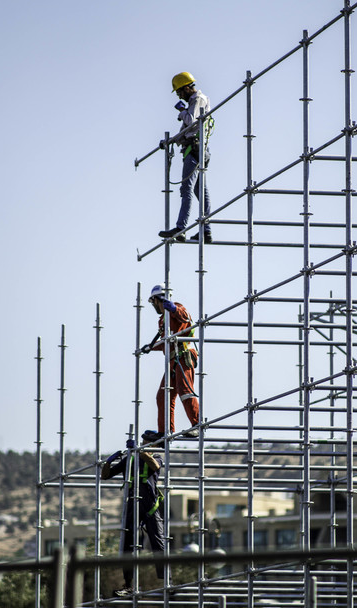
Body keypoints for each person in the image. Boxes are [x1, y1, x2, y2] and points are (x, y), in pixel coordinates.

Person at [101, 431, 165, 597]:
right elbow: (105, 475)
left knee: (158, 542)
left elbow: (155, 466)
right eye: (143, 442)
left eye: (148, 442)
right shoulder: (130, 459)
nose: (144, 444)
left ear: (155, 445)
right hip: (132, 504)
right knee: (127, 544)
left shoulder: (157, 457)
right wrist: (109, 462)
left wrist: (138, 450)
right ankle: (128, 585)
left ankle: (167, 581)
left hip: (150, 505)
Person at [159, 71, 213, 244]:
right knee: (200, 191)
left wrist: (182, 111)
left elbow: (191, 121)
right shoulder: (193, 102)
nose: (179, 96)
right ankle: (206, 231)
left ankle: (181, 228)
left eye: (179, 92)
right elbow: (187, 131)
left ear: (187, 88)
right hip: (197, 148)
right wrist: (170, 141)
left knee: (187, 189)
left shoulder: (198, 100)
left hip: (195, 149)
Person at [140, 284, 200, 441]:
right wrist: (150, 347)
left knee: (185, 390)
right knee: (163, 395)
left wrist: (173, 309)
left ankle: (197, 425)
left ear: (158, 299)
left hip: (184, 355)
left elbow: (186, 318)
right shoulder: (162, 320)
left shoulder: (177, 309)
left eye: (154, 302)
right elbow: (165, 343)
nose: (154, 306)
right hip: (173, 360)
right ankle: (165, 431)